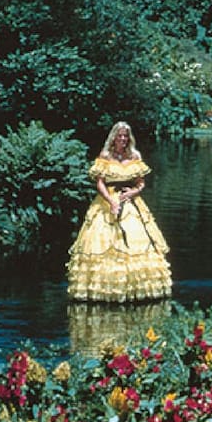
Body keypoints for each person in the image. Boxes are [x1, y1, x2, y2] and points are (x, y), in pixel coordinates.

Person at [67, 121, 172, 302]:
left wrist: (134, 191)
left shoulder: (135, 155)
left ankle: (137, 287)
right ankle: (104, 289)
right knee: (104, 242)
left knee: (137, 240)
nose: (122, 139)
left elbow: (141, 182)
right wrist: (111, 202)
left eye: (125, 136)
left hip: (131, 201)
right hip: (108, 200)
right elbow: (99, 182)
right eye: (120, 135)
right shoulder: (105, 155)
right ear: (114, 137)